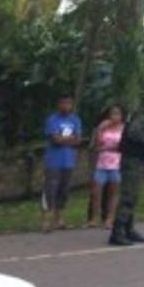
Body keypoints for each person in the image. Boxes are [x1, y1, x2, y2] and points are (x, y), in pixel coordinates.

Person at [109, 91, 144, 246]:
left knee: (133, 195)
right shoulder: (141, 117)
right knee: (128, 196)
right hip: (132, 161)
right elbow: (134, 133)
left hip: (136, 160)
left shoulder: (142, 117)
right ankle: (117, 232)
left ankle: (128, 228)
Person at [42, 94, 83, 232]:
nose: (66, 106)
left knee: (64, 191)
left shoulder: (75, 120)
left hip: (68, 161)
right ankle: (47, 219)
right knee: (51, 190)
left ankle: (59, 219)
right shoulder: (52, 120)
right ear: (59, 104)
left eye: (69, 103)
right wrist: (69, 139)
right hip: (53, 161)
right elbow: (55, 140)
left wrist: (64, 138)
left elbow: (78, 140)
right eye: (63, 103)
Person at [86, 105, 125, 229]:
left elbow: (121, 146)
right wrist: (100, 129)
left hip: (116, 164)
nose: (115, 117)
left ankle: (110, 218)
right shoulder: (103, 128)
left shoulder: (123, 129)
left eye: (117, 114)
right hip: (101, 164)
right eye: (113, 114)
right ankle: (95, 218)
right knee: (96, 192)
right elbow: (96, 145)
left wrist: (107, 147)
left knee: (113, 193)